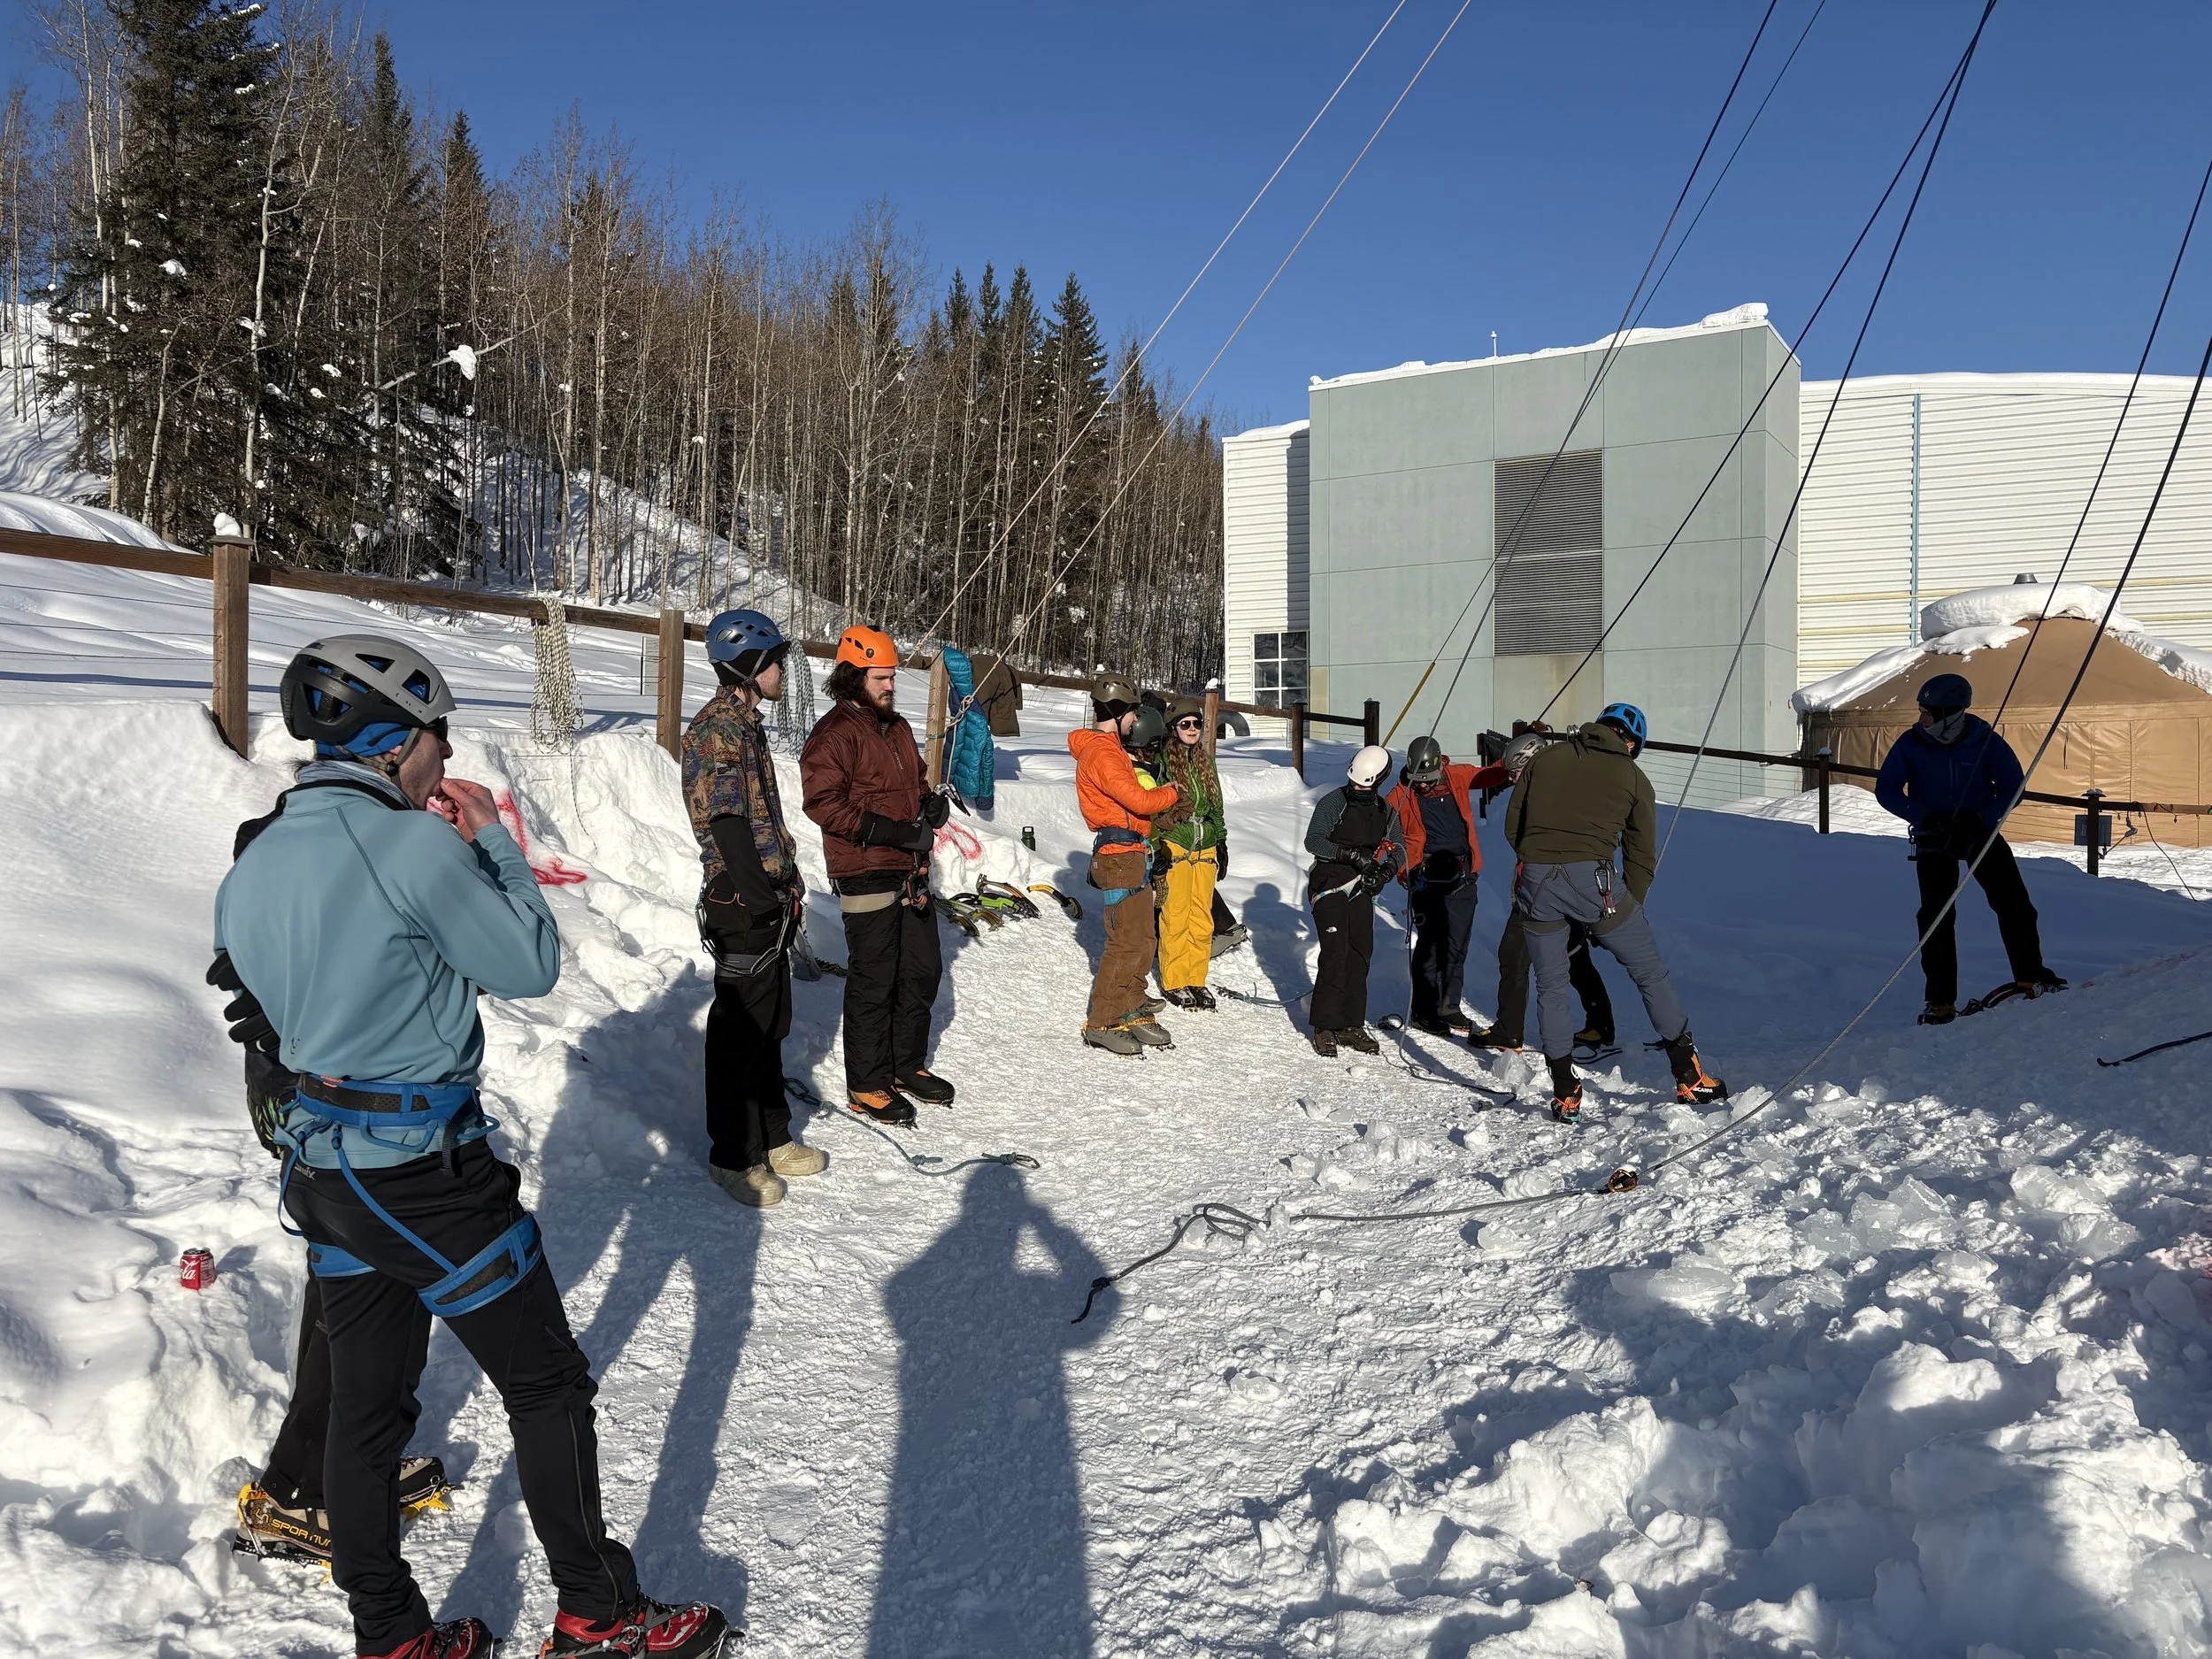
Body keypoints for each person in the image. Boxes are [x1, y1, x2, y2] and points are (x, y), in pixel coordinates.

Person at [213, 635, 729, 1659]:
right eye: (434, 733)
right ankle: (598, 1616)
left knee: (365, 1412)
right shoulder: (414, 847)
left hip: (325, 1164)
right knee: (546, 1385)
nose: (444, 754)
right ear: (392, 742)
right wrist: (489, 840)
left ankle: (390, 1634)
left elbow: (261, 990)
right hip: (424, 1170)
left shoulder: (257, 854)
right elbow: (529, 962)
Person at [210, 947, 449, 1564]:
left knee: (371, 1281)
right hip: (334, 1093)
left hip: (329, 1081)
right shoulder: (304, 881)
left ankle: (336, 1471)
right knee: (372, 1287)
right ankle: (304, 1490)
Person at [1505, 701, 1724, 1124]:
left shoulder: (1547, 758)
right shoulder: (1634, 778)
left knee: (1551, 985)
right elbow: (1640, 856)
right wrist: (1627, 909)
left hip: (1536, 881)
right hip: (1596, 884)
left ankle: (1565, 1092)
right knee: (1649, 973)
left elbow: (1513, 825)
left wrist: (1539, 858)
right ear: (1631, 743)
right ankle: (1689, 1075)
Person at [683, 608, 829, 1205]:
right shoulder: (718, 728)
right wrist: (761, 897)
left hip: (768, 895)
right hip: (742, 901)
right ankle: (732, 1156)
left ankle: (773, 1137)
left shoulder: (746, 724)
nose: (782, 672)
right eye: (775, 662)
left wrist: (785, 884)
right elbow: (726, 824)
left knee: (769, 1024)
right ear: (748, 666)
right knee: (739, 1033)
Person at [801, 625, 954, 1125]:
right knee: (875, 979)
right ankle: (867, 1083)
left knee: (922, 970)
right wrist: (894, 832)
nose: (891, 686)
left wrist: (930, 805)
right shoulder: (835, 734)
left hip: (909, 870)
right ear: (853, 677)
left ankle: (904, 1066)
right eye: (881, 678)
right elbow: (823, 804)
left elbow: (917, 781)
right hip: (866, 870)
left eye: (892, 677)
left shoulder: (898, 728)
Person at [1874, 672, 2063, 1024]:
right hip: (1934, 838)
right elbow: (1886, 789)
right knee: (1936, 917)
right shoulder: (1911, 743)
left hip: (1980, 833)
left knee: (2015, 905)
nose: (1921, 718)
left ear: (1949, 714)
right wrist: (1924, 817)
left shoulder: (1985, 741)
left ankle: (2031, 976)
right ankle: (1940, 1001)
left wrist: (1981, 817)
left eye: (1927, 712)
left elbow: (2012, 786)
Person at [1470, 727, 1616, 1053]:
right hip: (1565, 887)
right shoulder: (1562, 788)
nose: (1510, 780)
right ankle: (1601, 1024)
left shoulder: (1543, 797)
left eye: (1515, 773)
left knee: (1514, 955)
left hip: (1541, 891)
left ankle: (1509, 1030)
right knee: (1573, 953)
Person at [1071, 673, 1181, 1055]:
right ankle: (1102, 1022)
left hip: (1132, 852)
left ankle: (1131, 1002)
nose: (1135, 721)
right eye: (1132, 714)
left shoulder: (1111, 749)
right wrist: (1171, 792)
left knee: (1143, 938)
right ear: (1118, 712)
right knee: (1124, 943)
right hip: (1119, 856)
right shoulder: (1102, 752)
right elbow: (1139, 800)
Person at [1386, 735, 1508, 1036]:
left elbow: (1488, 775)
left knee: (1456, 944)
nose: (1423, 786)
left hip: (1461, 877)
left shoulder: (1456, 776)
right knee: (1430, 944)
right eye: (1418, 780)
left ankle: (1449, 1006)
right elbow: (1385, 834)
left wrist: (1511, 763)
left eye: (1428, 780)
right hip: (1425, 878)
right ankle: (1423, 1010)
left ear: (1439, 767)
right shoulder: (1400, 794)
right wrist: (1402, 869)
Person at [1303, 746, 1405, 1057]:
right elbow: (1314, 840)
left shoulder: (1385, 810)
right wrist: (1349, 855)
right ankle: (1325, 1025)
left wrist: (1386, 871)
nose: (1359, 788)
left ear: (1380, 780)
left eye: (1365, 785)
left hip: (1361, 888)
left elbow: (1399, 846)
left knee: (1360, 953)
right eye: (1356, 783)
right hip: (1329, 883)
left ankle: (1350, 1023)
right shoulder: (1334, 802)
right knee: (1337, 952)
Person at [1150, 695, 1226, 1010]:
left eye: (1197, 723)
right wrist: (1157, 847)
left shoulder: (1205, 761)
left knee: (1202, 918)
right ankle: (1175, 980)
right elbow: (1153, 808)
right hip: (1176, 843)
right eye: (1185, 724)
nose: (1192, 729)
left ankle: (1196, 978)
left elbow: (1216, 805)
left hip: (1205, 845)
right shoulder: (1163, 762)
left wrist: (1221, 841)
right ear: (1173, 728)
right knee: (1176, 915)